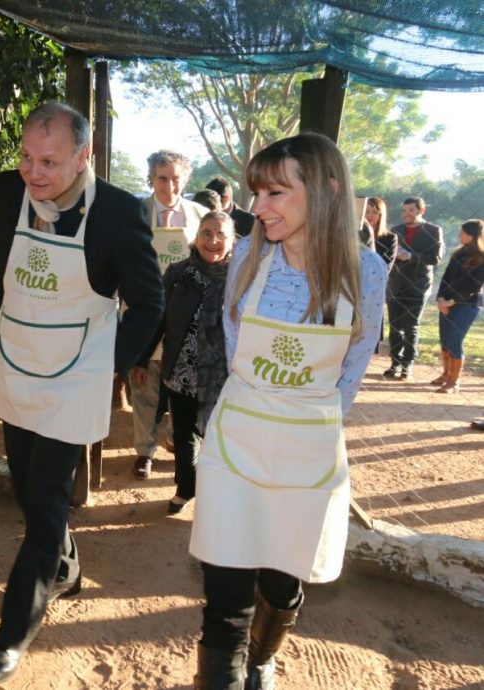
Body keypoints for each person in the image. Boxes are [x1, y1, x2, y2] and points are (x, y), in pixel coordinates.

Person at [188, 132, 386, 688]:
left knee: (282, 582)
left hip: (308, 451)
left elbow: (353, 366)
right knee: (225, 590)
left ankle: (262, 656)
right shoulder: (248, 255)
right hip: (239, 439)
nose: (259, 207)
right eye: (257, 193)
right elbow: (236, 347)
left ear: (326, 190)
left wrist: (309, 426)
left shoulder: (367, 271)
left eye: (275, 192)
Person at [0, 101, 163, 685]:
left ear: (84, 156)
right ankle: (67, 568)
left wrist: (106, 369)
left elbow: (149, 302)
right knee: (25, 492)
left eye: (49, 162)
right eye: (27, 158)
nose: (33, 173)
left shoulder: (118, 213)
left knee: (47, 502)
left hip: (77, 374)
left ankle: (12, 636)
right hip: (17, 365)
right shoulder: (5, 193)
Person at [137, 210, 234, 515]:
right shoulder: (178, 274)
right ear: (196, 236)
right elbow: (158, 318)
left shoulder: (241, 279)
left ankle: (218, 495)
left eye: (221, 234)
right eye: (207, 233)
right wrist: (141, 358)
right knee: (184, 434)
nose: (213, 240)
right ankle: (185, 488)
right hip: (181, 371)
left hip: (224, 375)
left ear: (232, 241)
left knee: (220, 437)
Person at [131, 150, 206, 481]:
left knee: (183, 383)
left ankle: (177, 441)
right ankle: (144, 451)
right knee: (143, 384)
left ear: (185, 179)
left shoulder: (201, 216)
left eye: (176, 178)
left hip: (184, 317)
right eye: (163, 178)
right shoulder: (134, 213)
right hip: (143, 312)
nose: (170, 185)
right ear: (151, 178)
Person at [384, 196, 444, 380]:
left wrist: (410, 256)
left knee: (411, 326)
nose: (406, 214)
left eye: (411, 210)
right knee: (394, 326)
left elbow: (435, 258)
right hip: (396, 284)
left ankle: (407, 364)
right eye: (404, 210)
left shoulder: (433, 230)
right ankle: (394, 362)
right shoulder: (396, 230)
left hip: (418, 285)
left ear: (421, 210)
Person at [433, 219, 484, 393]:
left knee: (455, 340)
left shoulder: (481, 258)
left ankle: (453, 382)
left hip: (466, 305)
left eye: (462, 233)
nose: (459, 235)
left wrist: (452, 301)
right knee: (445, 340)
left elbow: (474, 285)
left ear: (472, 235)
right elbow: (446, 277)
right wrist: (441, 299)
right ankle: (446, 374)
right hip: (446, 302)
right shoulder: (458, 253)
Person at [363, 196, 397, 345]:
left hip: (372, 289)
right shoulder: (350, 235)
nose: (370, 215)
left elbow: (385, 267)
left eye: (375, 212)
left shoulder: (390, 238)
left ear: (381, 215)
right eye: (366, 211)